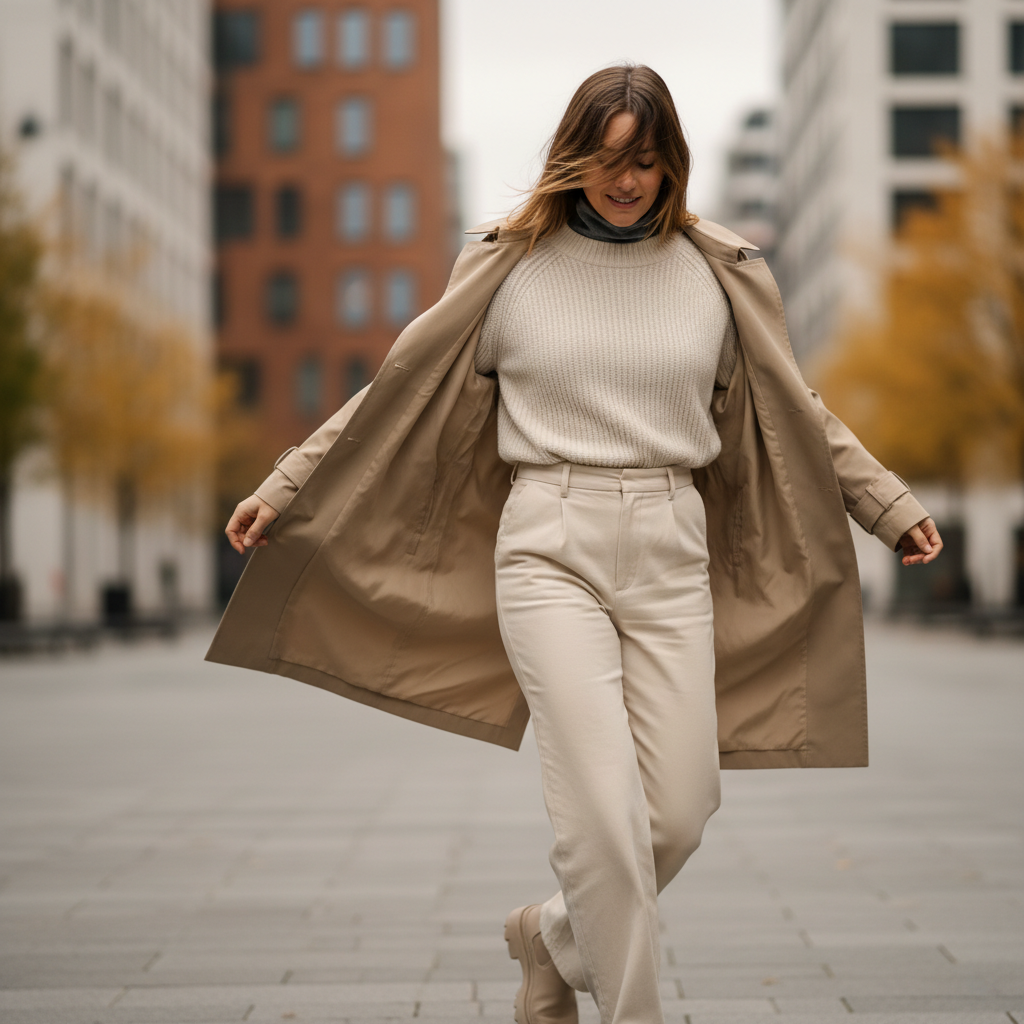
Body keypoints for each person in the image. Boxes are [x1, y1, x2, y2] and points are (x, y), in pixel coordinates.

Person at [214, 65, 942, 1024]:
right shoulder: (509, 265)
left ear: (669, 160)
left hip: (673, 548)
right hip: (548, 543)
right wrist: (287, 482)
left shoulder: (715, 273)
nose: (626, 180)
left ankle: (550, 939)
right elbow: (394, 389)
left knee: (681, 811)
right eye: (607, 158)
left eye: (643, 159)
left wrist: (883, 502)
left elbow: (793, 407)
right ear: (574, 157)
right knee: (601, 820)